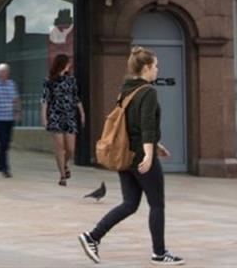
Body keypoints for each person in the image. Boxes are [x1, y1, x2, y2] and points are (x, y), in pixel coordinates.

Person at [79, 47, 184, 266]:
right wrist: (148, 152)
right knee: (157, 204)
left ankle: (92, 236)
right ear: (146, 67)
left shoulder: (126, 90)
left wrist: (156, 144)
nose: (157, 69)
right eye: (155, 66)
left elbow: (131, 125)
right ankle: (159, 253)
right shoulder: (147, 91)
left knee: (130, 203)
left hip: (124, 155)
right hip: (139, 156)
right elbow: (146, 123)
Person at [42, 54, 86, 186]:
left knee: (71, 149)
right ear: (62, 64)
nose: (69, 65)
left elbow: (76, 97)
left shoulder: (71, 80)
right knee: (60, 148)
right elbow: (45, 100)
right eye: (68, 63)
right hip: (55, 116)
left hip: (70, 116)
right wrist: (44, 118)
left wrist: (82, 113)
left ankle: (65, 164)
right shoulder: (49, 81)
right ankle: (62, 176)